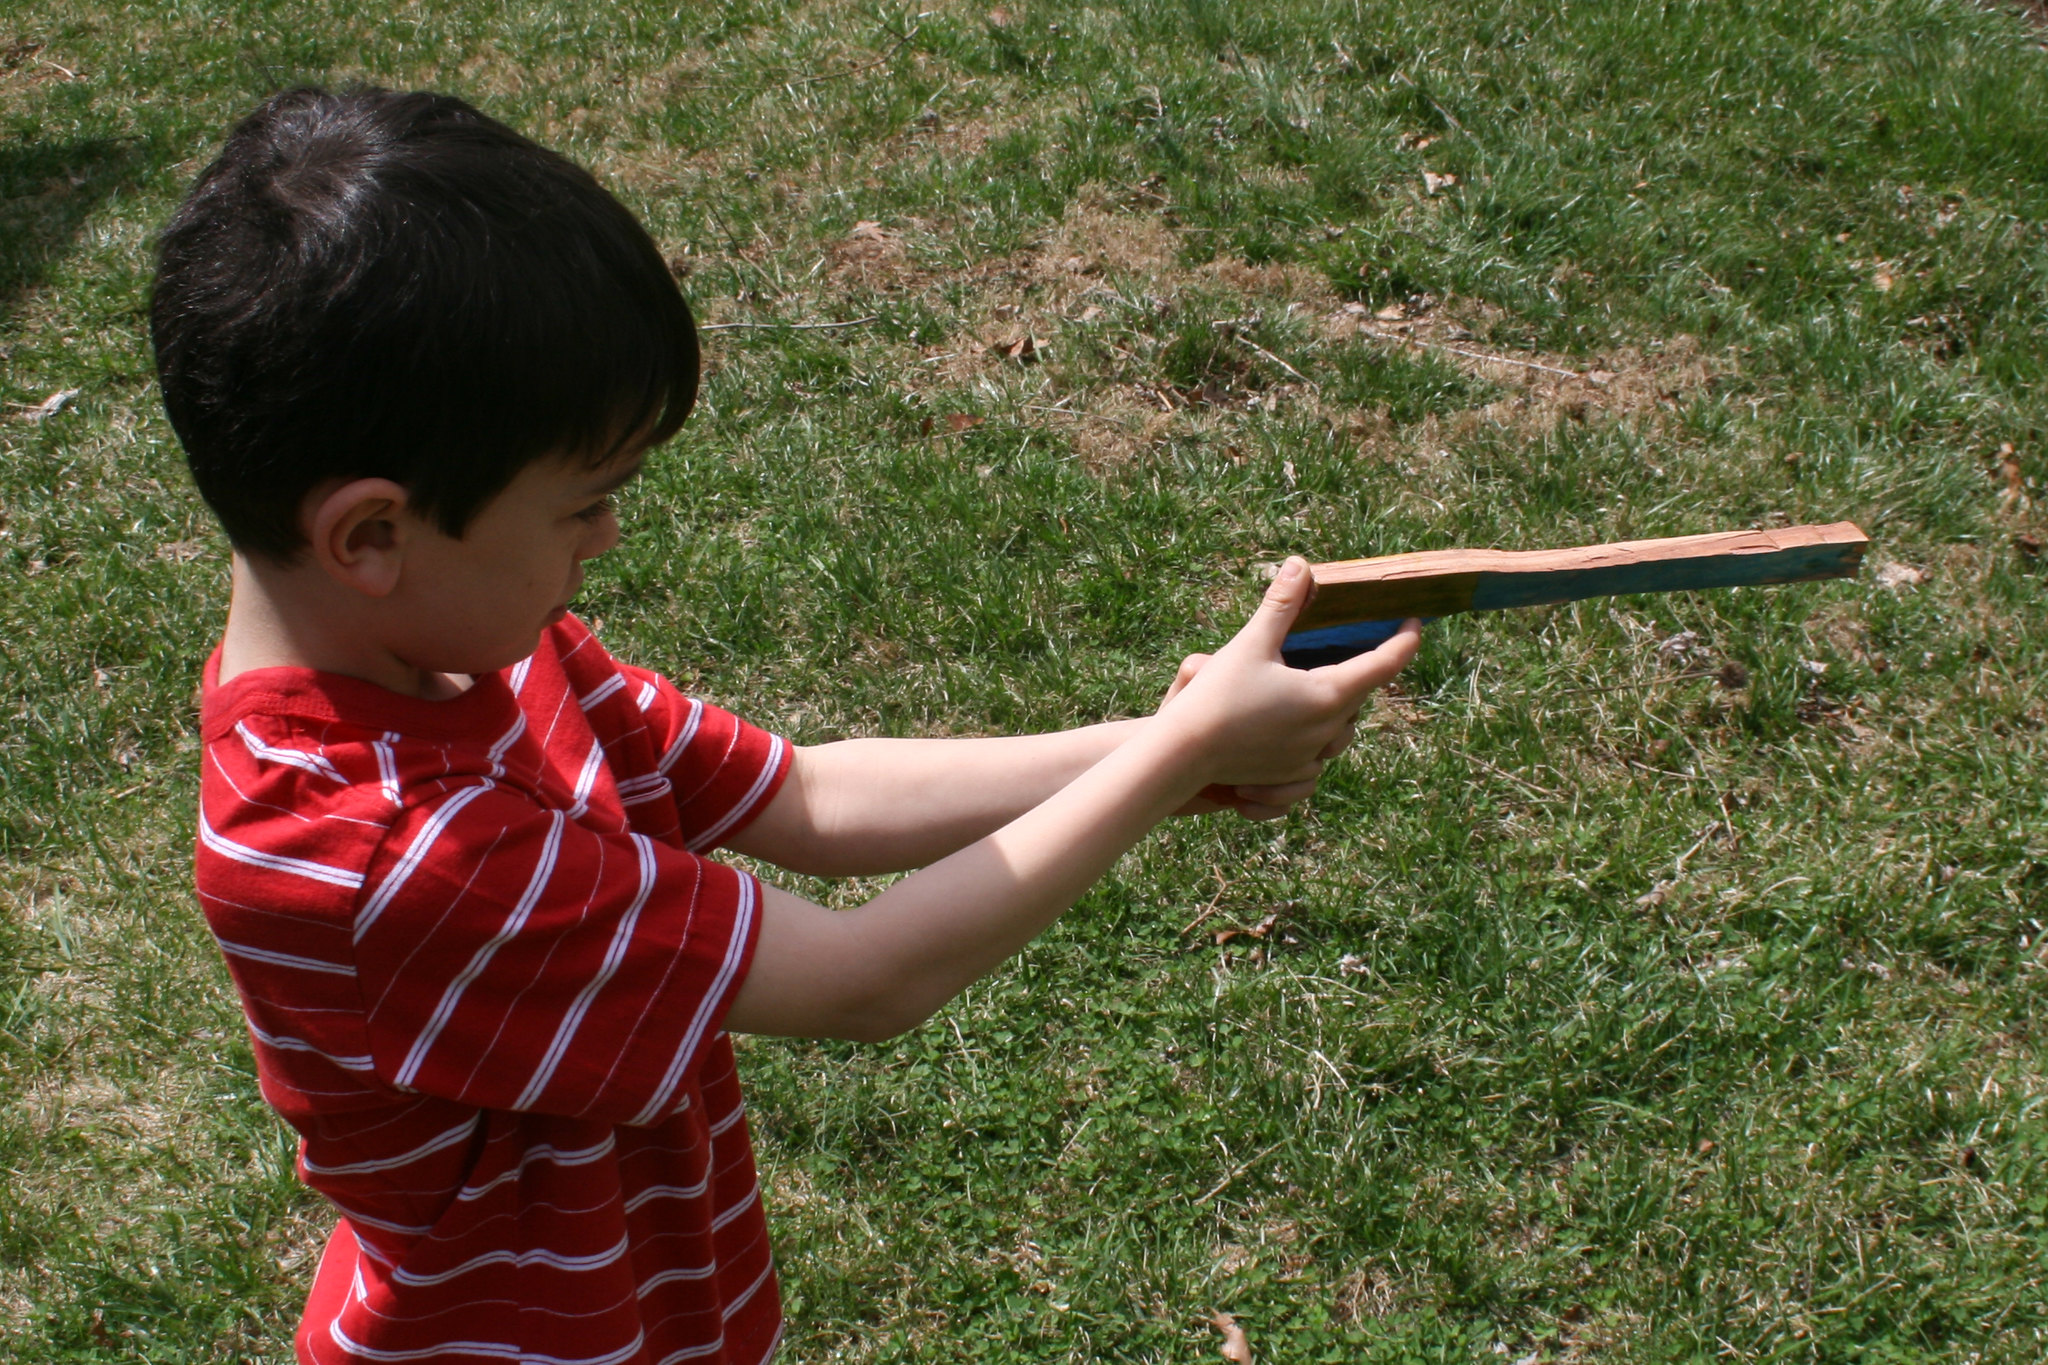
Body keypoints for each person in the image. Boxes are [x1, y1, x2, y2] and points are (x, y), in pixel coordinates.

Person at [153, 85, 1420, 1365]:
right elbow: (866, 981)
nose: (608, 536)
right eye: (584, 502)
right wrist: (1178, 759)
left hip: (648, 1304)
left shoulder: (465, 650)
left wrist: (1158, 736)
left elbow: (806, 801)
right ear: (373, 534)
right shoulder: (378, 850)